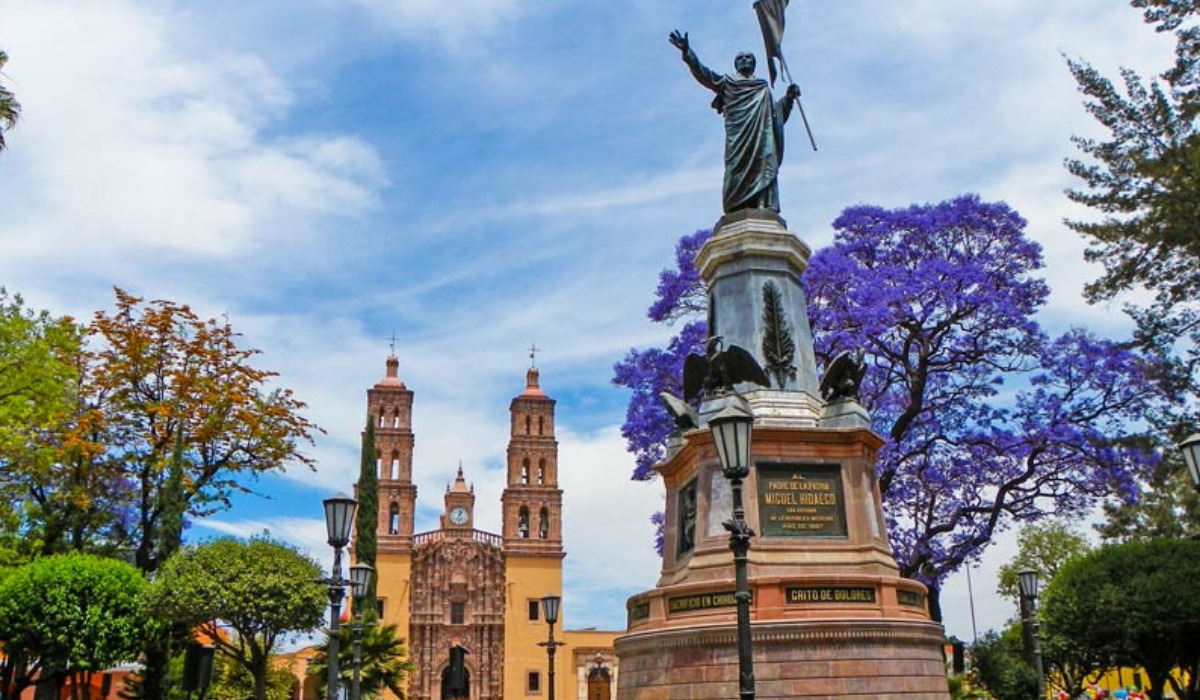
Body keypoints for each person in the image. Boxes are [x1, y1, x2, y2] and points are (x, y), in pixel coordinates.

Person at [669, 30, 801, 214]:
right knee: (735, 170)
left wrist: (789, 97)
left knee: (764, 163)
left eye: (749, 58)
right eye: (741, 58)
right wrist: (687, 53)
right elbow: (705, 74)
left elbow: (775, 115)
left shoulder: (762, 87)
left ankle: (765, 204)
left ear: (754, 64)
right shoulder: (728, 82)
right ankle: (738, 207)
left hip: (761, 138)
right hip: (738, 137)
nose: (745, 60)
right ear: (736, 64)